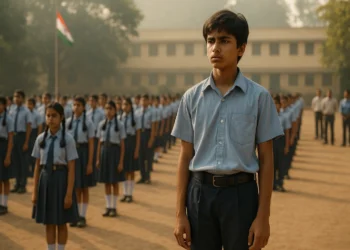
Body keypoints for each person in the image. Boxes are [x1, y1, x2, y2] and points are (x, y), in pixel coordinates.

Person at [171, 10, 283, 250]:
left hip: (241, 196)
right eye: (210, 41)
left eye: (224, 41)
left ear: (241, 48)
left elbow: (266, 158)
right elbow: (184, 157)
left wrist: (263, 217)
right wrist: (180, 214)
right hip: (200, 194)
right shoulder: (191, 98)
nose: (215, 48)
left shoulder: (259, 98)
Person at [31, 102, 79, 250]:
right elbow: (37, 167)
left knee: (61, 222)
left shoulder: (68, 140)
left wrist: (69, 194)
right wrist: (34, 191)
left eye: (54, 116)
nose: (50, 119)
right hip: (46, 181)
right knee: (49, 222)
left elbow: (71, 169)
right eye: (48, 115)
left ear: (61, 117)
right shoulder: (40, 139)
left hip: (61, 181)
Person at [66, 97, 95, 228]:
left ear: (84, 107)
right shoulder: (67, 122)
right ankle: (76, 215)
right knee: (75, 187)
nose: (76, 107)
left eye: (78, 105)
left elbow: (91, 144)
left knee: (84, 187)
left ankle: (83, 216)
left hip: (83, 153)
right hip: (73, 155)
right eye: (74, 105)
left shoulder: (88, 123)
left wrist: (90, 163)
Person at [96, 101, 126, 217]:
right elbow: (99, 143)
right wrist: (98, 158)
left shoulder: (120, 125)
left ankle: (114, 207)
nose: (108, 111)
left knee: (114, 182)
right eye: (106, 109)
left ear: (115, 110)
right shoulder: (101, 124)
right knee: (106, 182)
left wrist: (121, 161)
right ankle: (108, 207)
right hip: (104, 153)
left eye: (111, 109)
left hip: (115, 153)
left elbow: (122, 144)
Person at [9, 90, 32, 194]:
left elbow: (29, 127)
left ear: (23, 98)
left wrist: (26, 142)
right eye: (15, 97)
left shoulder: (26, 111)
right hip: (14, 136)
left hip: (22, 136)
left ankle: (23, 184)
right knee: (15, 161)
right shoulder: (12, 110)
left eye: (18, 97)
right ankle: (17, 183)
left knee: (23, 162)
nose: (16, 99)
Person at [119, 98, 141, 203]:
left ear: (130, 106)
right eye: (123, 104)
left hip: (131, 143)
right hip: (123, 143)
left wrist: (137, 149)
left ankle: (130, 194)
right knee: (124, 170)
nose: (124, 107)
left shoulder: (135, 117)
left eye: (126, 105)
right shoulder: (120, 117)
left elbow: (138, 134)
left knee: (131, 170)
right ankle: (125, 193)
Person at [0, 97, 14, 215]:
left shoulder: (8, 119)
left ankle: (4, 204)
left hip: (4, 148)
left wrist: (8, 155)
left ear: (4, 106)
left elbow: (10, 138)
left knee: (5, 178)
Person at [26, 98, 43, 178]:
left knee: (34, 152)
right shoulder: (26, 113)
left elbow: (40, 126)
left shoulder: (37, 114)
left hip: (34, 133)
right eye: (27, 104)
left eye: (30, 104)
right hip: (26, 133)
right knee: (27, 153)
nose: (28, 106)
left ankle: (33, 170)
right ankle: (28, 171)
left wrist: (38, 137)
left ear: (33, 105)